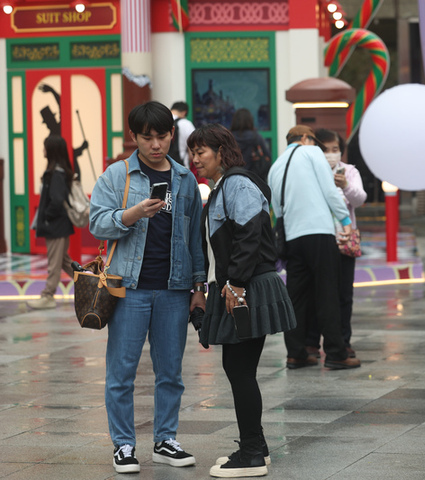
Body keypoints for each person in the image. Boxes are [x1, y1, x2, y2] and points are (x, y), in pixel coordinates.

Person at [89, 101, 206, 474]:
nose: (156, 145)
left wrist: (199, 286)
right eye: (147, 137)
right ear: (134, 137)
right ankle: (123, 446)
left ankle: (165, 439)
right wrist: (134, 213)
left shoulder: (186, 180)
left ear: (173, 134)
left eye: (162, 136)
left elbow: (195, 240)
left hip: (174, 288)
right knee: (121, 371)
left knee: (170, 371)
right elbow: (97, 224)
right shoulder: (117, 175)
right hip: (130, 288)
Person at [187, 124, 296, 478]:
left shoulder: (237, 183)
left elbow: (250, 235)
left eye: (201, 151)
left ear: (222, 152)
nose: (195, 159)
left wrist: (235, 284)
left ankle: (251, 453)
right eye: (192, 152)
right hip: (238, 286)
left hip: (249, 287)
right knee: (237, 368)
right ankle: (256, 447)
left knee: (239, 369)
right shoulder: (220, 188)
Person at [267, 125, 361, 370]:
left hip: (291, 237)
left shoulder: (276, 166)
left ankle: (296, 353)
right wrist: (345, 220)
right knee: (327, 292)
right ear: (306, 139)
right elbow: (330, 190)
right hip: (318, 232)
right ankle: (336, 353)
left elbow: (276, 206)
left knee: (296, 296)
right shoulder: (311, 153)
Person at [304, 129, 367, 359]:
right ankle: (311, 342)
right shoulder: (310, 171)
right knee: (315, 292)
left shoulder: (349, 171)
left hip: (344, 240)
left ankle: (343, 341)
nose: (331, 155)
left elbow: (360, 199)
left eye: (335, 150)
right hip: (319, 239)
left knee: (343, 294)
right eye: (326, 150)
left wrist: (345, 186)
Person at [28, 135, 75, 310]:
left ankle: (48, 296)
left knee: (54, 263)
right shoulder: (59, 172)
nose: (43, 151)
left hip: (55, 226)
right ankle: (92, 285)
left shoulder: (56, 174)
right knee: (65, 262)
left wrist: (47, 217)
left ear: (52, 151)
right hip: (59, 225)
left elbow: (56, 201)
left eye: (45, 147)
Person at [230, 108, 272, 182]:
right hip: (254, 177)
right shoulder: (256, 136)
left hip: (233, 175)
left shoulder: (229, 138)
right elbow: (267, 155)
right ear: (250, 121)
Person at [170, 101, 196, 170]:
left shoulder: (162, 121)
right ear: (184, 112)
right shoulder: (186, 124)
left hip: (163, 166)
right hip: (181, 166)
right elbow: (192, 149)